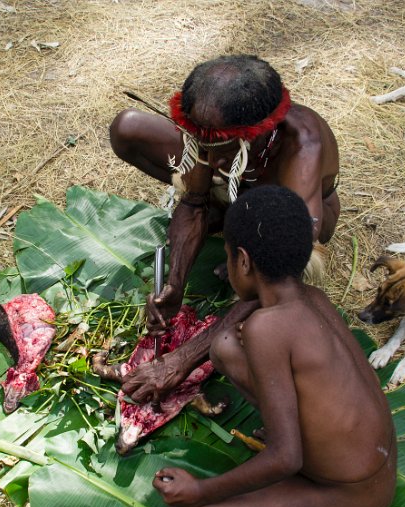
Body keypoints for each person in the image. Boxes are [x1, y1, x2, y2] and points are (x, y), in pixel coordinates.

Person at [151, 186, 396, 507]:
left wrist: (200, 490)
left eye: (229, 256)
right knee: (226, 346)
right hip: (377, 466)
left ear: (244, 261)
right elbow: (246, 325)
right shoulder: (314, 299)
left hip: (352, 495)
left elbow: (286, 457)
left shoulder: (268, 328)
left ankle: (294, 496)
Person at [110, 54, 340, 339]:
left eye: (223, 148)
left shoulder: (302, 146)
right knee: (127, 128)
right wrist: (175, 284)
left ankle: (241, 237)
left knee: (284, 264)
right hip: (238, 186)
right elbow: (193, 201)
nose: (210, 158)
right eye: (202, 144)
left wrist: (184, 359)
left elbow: (291, 257)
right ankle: (225, 213)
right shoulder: (208, 128)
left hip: (289, 211)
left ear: (257, 134)